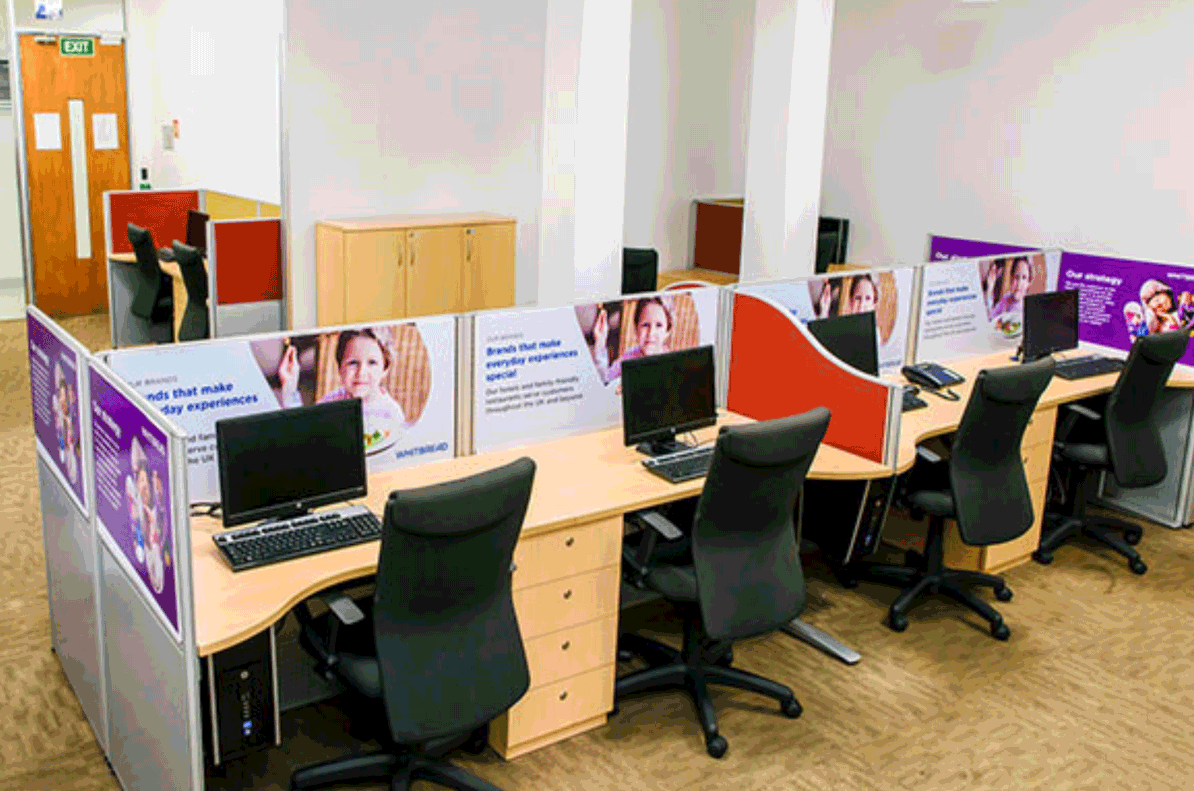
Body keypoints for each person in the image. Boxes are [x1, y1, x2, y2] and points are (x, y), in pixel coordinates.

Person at [278, 328, 408, 428]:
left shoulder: (391, 414)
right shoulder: (333, 402)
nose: (361, 372)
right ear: (340, 368)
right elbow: (304, 428)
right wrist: (290, 387)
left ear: (385, 368)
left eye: (372, 362)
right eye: (352, 362)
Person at [589, 296, 673, 384]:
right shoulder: (629, 357)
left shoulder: (671, 366)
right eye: (645, 325)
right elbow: (605, 381)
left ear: (668, 330)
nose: (651, 333)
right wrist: (600, 342)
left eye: (659, 325)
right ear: (636, 329)